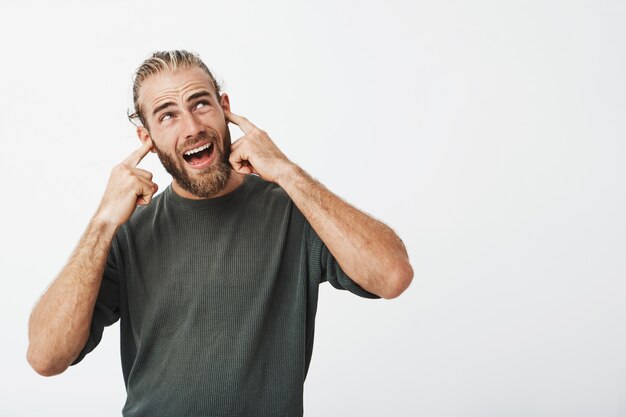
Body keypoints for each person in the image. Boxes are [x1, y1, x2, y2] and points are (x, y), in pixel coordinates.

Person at [27, 50, 413, 416]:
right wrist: (102, 222)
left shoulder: (292, 211)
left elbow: (392, 275)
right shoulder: (127, 233)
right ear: (147, 139)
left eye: (200, 104)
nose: (192, 127)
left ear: (225, 108)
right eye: (167, 115)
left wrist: (287, 172)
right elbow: (46, 357)